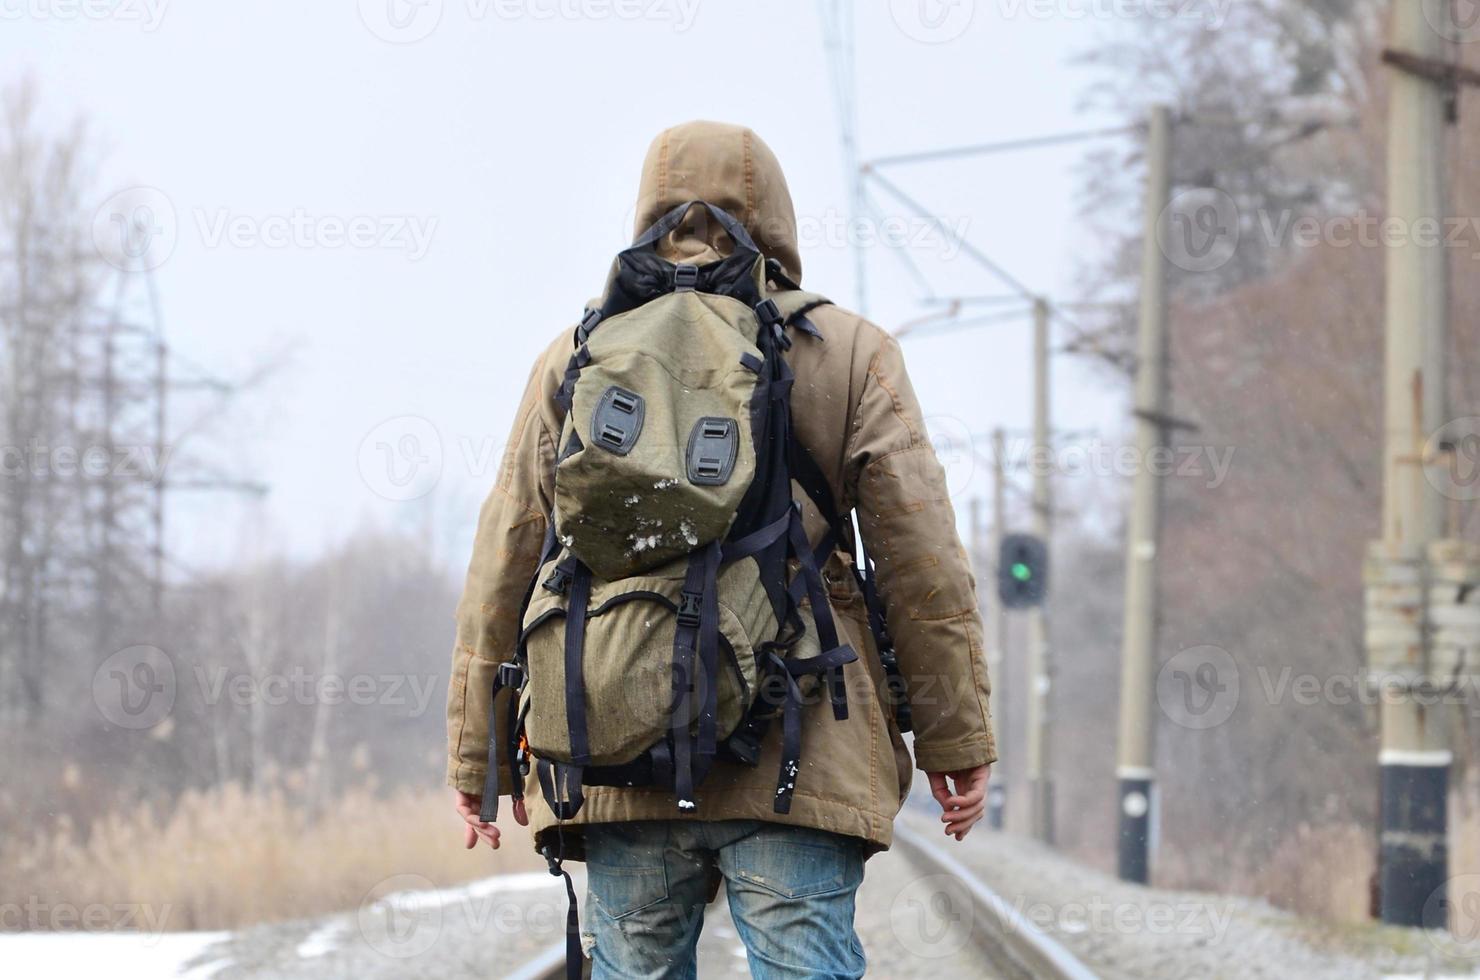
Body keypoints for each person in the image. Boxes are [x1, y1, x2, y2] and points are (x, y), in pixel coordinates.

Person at [446, 120, 996, 980]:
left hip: (622, 751)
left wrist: (480, 760)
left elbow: (508, 556)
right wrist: (956, 742)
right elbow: (922, 560)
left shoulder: (578, 355)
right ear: (776, 218)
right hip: (800, 752)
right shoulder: (848, 353)